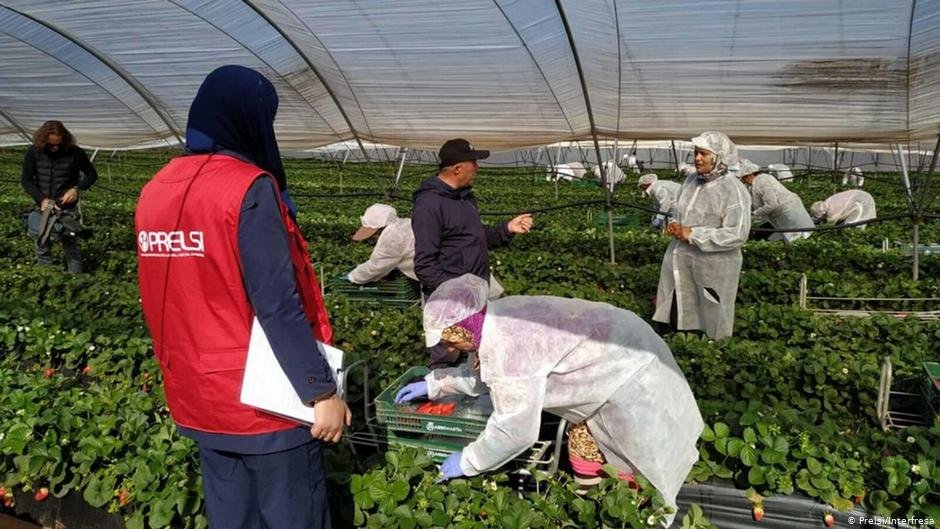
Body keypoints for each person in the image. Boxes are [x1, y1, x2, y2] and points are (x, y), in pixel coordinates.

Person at [135, 65, 349, 529]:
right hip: (263, 405)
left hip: (197, 392)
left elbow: (156, 297)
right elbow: (276, 304)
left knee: (232, 516)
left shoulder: (154, 190)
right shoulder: (247, 188)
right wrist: (321, 391)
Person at [394, 274, 703, 526]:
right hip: (621, 343)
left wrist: (468, 461)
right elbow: (485, 371)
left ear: (463, 328)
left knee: (642, 459)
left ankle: (639, 515)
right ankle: (598, 502)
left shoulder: (507, 346)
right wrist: (436, 384)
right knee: (588, 442)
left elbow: (515, 431)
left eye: (448, 340)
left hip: (629, 375)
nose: (448, 347)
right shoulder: (496, 318)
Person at [412, 138, 532, 367]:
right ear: (458, 169)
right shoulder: (429, 205)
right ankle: (441, 398)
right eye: (473, 163)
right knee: (447, 360)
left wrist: (507, 229)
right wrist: (456, 296)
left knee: (479, 356)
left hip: (476, 295)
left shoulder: (465, 197)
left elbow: (475, 236)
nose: (477, 167)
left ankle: (469, 398)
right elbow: (425, 264)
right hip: (450, 302)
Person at [653, 131, 750, 340]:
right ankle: (680, 344)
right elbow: (677, 210)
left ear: (719, 157)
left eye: (704, 154)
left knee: (710, 311)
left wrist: (694, 234)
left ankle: (708, 353)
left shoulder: (733, 190)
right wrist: (674, 225)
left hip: (713, 264)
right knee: (678, 304)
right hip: (681, 256)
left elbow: (737, 233)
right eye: (696, 152)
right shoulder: (690, 181)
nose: (697, 158)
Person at [21, 120, 97, 273]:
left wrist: (76, 189)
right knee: (42, 246)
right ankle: (46, 279)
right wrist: (41, 199)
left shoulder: (75, 152)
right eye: (51, 145)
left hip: (66, 209)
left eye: (58, 144)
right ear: (43, 140)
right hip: (43, 207)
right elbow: (26, 180)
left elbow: (91, 174)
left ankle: (75, 280)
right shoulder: (34, 152)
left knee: (70, 246)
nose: (55, 147)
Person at [737, 159, 814, 242]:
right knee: (791, 235)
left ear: (750, 175)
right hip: (781, 212)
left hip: (788, 209)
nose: (744, 181)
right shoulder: (755, 183)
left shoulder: (762, 181)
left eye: (744, 179)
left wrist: (754, 214)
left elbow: (772, 204)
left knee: (798, 235)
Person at [347, 204, 417, 284]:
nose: (374, 237)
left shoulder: (391, 238)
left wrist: (353, 277)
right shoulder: (406, 223)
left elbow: (375, 267)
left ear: (380, 228)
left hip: (429, 273)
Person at [810, 190, 876, 229]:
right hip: (859, 196)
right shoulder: (826, 202)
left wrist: (820, 226)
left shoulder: (832, 211)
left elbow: (830, 223)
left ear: (823, 213)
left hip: (862, 201)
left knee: (851, 226)